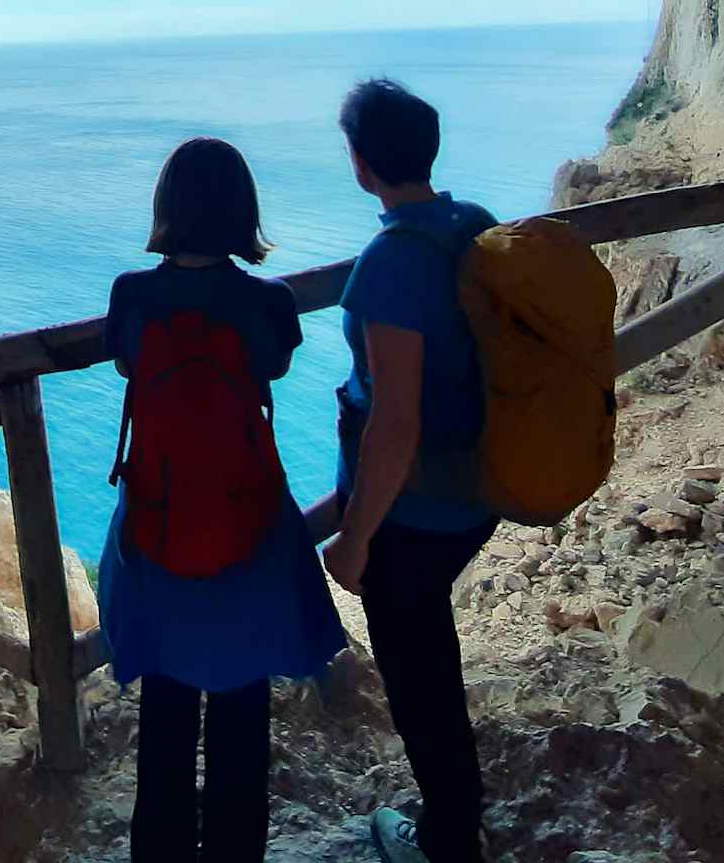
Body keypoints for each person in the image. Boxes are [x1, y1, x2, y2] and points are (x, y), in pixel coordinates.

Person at [97, 136, 347, 863]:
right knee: (243, 724)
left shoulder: (130, 295)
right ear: (243, 212)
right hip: (250, 529)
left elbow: (123, 360)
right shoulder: (266, 303)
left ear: (166, 211)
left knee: (165, 724)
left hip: (159, 523)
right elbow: (274, 362)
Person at [320, 78, 500, 863]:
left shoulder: (390, 264)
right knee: (433, 651)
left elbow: (395, 420)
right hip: (477, 484)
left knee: (419, 680)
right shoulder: (475, 225)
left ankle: (448, 840)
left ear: (361, 164)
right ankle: (457, 815)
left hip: (415, 510)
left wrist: (355, 540)